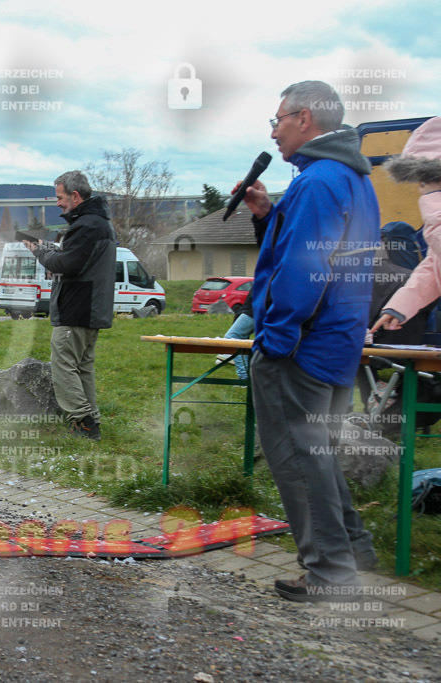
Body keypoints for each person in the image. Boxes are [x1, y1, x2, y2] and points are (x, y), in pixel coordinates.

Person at [239, 81, 379, 602]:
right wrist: (267, 215)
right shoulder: (349, 177)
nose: (273, 132)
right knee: (317, 454)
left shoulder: (318, 182)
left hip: (301, 346)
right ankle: (354, 551)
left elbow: (304, 270)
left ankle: (330, 574)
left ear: (304, 118)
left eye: (276, 120)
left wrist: (275, 339)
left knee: (298, 458)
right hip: (337, 342)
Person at [22, 170, 115, 440]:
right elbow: (75, 257)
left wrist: (39, 251)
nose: (58, 204)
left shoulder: (86, 225)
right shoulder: (99, 222)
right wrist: (50, 247)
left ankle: (82, 421)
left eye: (60, 198)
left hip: (77, 307)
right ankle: (91, 420)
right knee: (82, 366)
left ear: (75, 196)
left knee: (63, 365)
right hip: (91, 307)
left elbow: (67, 264)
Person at [370, 117, 441, 335]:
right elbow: (434, 264)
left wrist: (433, 196)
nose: (419, 188)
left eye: (423, 179)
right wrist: (400, 306)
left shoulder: (433, 201)